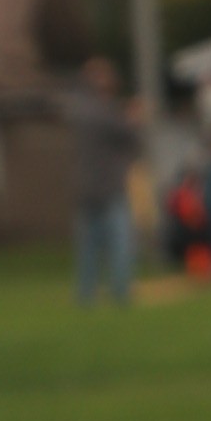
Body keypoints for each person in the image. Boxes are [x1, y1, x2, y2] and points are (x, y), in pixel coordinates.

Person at [60, 55, 144, 305]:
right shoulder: (102, 111)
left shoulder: (79, 109)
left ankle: (87, 295)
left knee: (88, 248)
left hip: (85, 188)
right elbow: (130, 139)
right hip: (108, 188)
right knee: (120, 244)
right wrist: (133, 118)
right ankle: (120, 292)